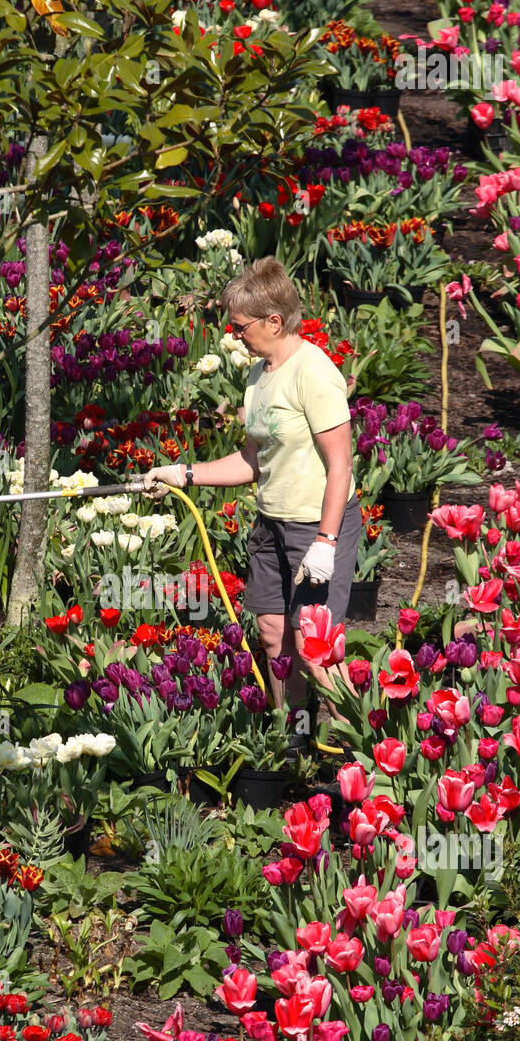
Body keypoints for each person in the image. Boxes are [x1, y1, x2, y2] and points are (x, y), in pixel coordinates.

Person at [143, 256, 361, 728]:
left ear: (275, 321)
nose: (233, 334)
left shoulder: (314, 373)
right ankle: (294, 736)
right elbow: (251, 460)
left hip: (316, 527)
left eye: (240, 326)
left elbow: (340, 465)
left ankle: (361, 746)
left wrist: (325, 542)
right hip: (272, 524)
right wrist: (183, 472)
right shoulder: (259, 376)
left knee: (314, 645)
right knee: (272, 632)